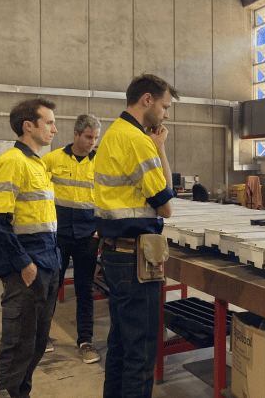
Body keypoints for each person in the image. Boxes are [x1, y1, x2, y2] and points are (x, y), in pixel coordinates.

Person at [94, 74, 177, 398]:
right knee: (141, 353)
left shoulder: (114, 134)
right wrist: (159, 150)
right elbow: (166, 205)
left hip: (115, 254)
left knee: (120, 344)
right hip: (135, 262)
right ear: (147, 101)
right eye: (164, 106)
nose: (166, 114)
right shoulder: (136, 140)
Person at [0, 97, 61, 398]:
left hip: (47, 264)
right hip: (28, 269)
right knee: (17, 347)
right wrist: (23, 263)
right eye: (50, 122)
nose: (55, 128)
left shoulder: (36, 163)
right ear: (28, 126)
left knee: (36, 345)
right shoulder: (12, 162)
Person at [42, 114, 102, 364]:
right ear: (76, 135)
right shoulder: (51, 159)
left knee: (84, 289)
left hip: (88, 236)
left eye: (95, 138)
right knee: (50, 286)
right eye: (88, 137)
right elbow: (39, 194)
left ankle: (85, 341)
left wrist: (101, 227)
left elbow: (107, 196)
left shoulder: (101, 163)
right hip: (59, 235)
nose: (92, 142)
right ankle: (42, 336)